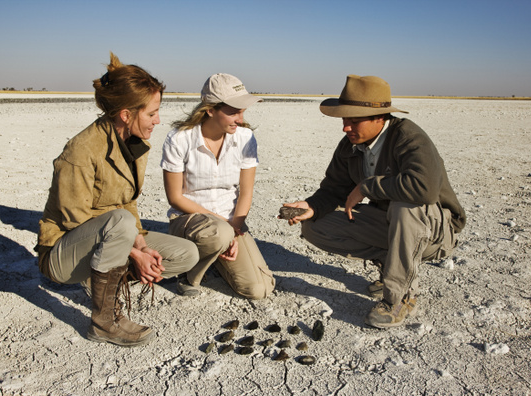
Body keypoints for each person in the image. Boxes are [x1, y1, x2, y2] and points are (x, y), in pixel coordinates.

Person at [35, 53, 199, 346]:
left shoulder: (133, 144)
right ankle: (104, 322)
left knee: (186, 254)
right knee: (121, 223)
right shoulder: (81, 151)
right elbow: (75, 220)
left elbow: (128, 203)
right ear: (126, 114)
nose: (158, 120)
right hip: (63, 253)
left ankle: (99, 279)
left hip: (109, 238)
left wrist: (141, 246)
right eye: (152, 113)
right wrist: (135, 254)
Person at [281, 75, 466, 328]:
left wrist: (367, 186)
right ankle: (393, 266)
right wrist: (312, 206)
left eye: (354, 121)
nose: (346, 127)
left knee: (405, 205)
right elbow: (333, 189)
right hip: (392, 227)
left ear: (380, 118)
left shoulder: (408, 136)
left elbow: (424, 190)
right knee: (315, 226)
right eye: (344, 119)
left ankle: (400, 297)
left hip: (434, 231)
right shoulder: (349, 146)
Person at [161, 73, 275, 299]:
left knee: (259, 289)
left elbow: (246, 191)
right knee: (218, 234)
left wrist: (235, 226)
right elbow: (175, 197)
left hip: (232, 223)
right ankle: (188, 274)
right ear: (210, 110)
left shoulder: (245, 137)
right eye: (233, 111)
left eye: (242, 111)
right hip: (188, 220)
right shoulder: (179, 139)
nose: (240, 119)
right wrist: (225, 229)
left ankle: (214, 254)